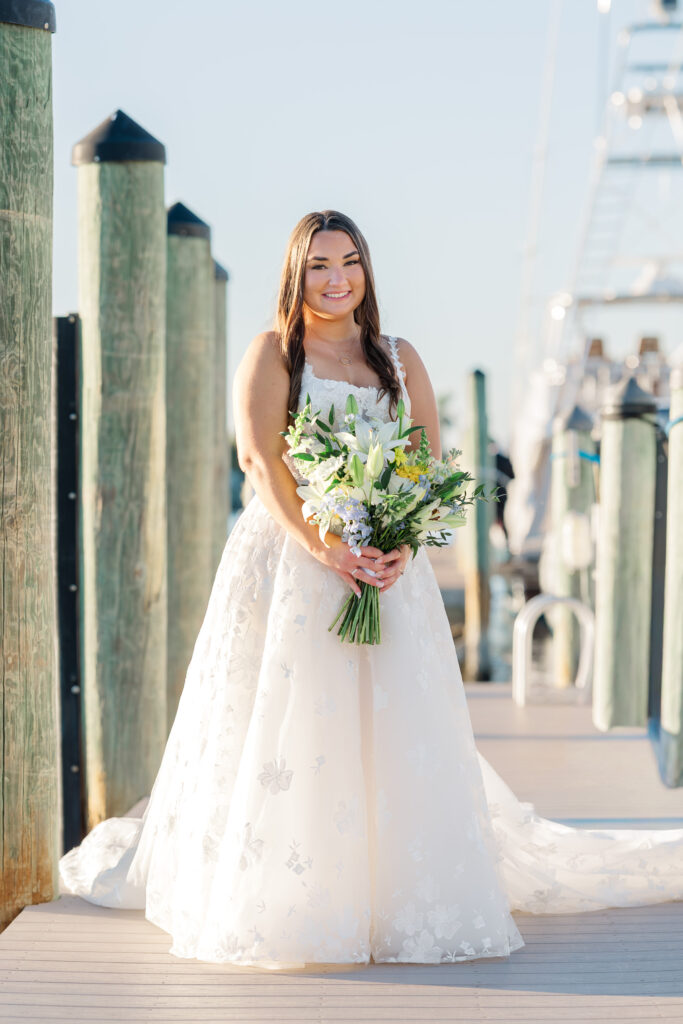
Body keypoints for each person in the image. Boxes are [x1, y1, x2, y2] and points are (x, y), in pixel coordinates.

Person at [59, 209, 683, 969]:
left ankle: (391, 887)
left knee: (391, 724)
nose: (337, 279)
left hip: (387, 568)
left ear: (366, 270)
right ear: (295, 274)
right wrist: (324, 546)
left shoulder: (398, 356)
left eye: (349, 262)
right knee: (295, 720)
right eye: (319, 265)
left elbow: (425, 462)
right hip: (294, 563)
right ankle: (300, 888)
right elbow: (260, 462)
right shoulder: (273, 353)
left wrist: (402, 542)